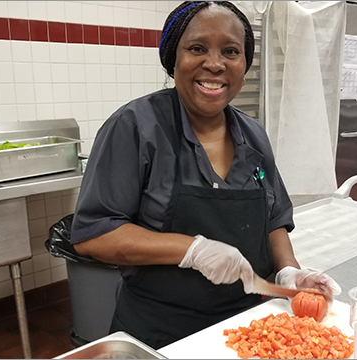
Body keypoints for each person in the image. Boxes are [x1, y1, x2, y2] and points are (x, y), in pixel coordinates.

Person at [70, 1, 341, 350]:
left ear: (244, 64)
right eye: (197, 48)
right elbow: (94, 234)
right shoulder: (136, 127)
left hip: (247, 331)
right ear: (173, 58)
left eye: (230, 51)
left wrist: (289, 271)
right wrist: (191, 250)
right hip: (158, 334)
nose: (214, 64)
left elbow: (273, 219)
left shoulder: (253, 135)